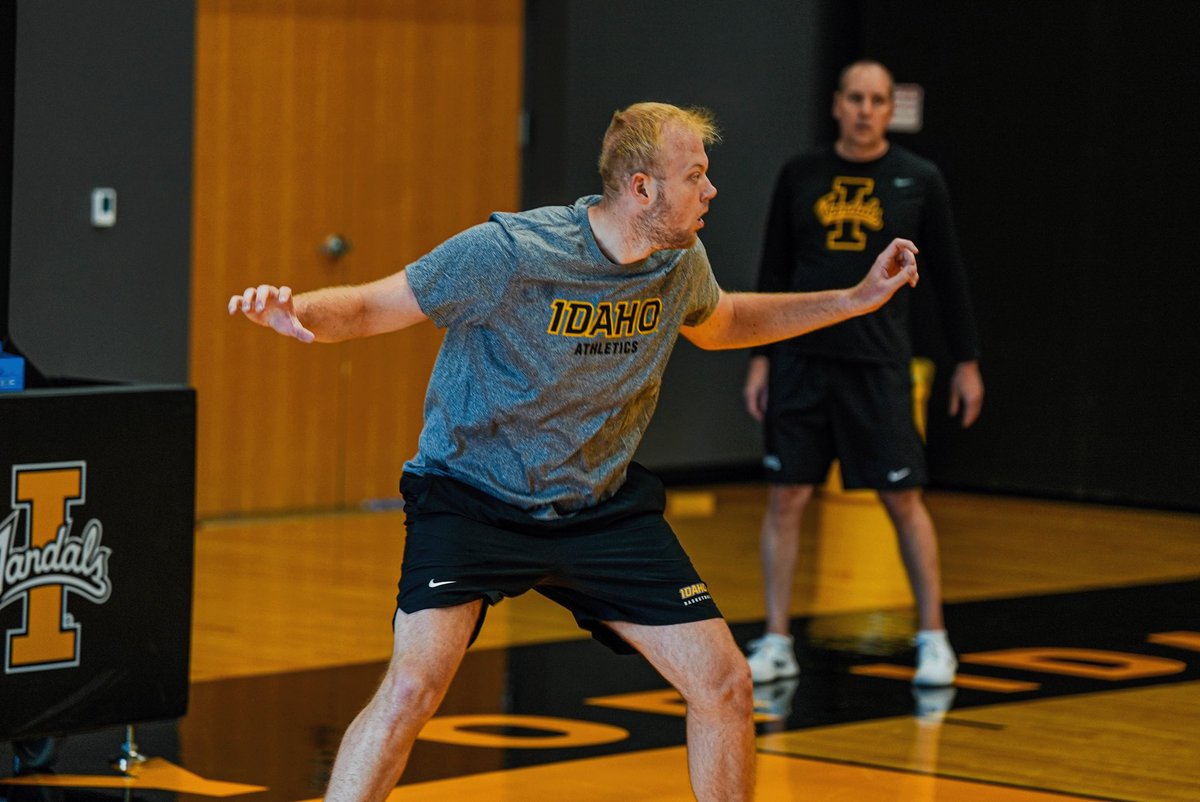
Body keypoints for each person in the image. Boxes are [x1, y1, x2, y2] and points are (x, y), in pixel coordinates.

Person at [230, 102, 919, 802]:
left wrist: (856, 298)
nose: (711, 191)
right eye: (696, 176)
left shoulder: (678, 263)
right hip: (473, 499)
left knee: (725, 684)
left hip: (598, 506)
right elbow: (380, 305)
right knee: (411, 688)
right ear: (643, 189)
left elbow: (724, 322)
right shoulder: (510, 253)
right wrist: (301, 314)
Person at [742, 61, 984, 687]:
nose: (866, 109)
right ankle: (775, 641)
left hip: (877, 365)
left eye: (877, 99)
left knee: (903, 498)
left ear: (888, 108)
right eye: (856, 97)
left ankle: (934, 637)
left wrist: (966, 362)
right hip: (800, 360)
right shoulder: (801, 174)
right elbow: (773, 268)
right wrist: (761, 358)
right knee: (786, 496)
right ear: (838, 104)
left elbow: (949, 278)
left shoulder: (918, 178)